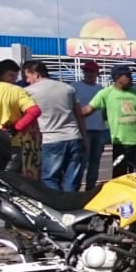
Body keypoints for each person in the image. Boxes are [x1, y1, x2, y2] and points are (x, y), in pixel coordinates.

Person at [79, 64, 136, 177]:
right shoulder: (105, 93)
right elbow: (85, 111)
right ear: (117, 77)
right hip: (121, 144)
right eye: (127, 75)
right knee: (120, 177)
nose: (131, 78)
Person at [23, 60, 86, 191]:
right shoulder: (68, 88)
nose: (27, 81)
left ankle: (57, 206)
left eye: (27, 76)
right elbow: (79, 114)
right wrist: (84, 137)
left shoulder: (29, 92)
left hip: (51, 139)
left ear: (35, 74)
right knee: (72, 178)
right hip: (74, 136)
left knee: (50, 178)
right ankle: (70, 205)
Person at [72, 60, 109, 190]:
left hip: (99, 130)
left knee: (95, 163)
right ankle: (75, 191)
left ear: (96, 73)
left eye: (91, 71)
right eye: (86, 71)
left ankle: (90, 190)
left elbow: (106, 111)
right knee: (80, 163)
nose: (88, 73)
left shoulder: (101, 90)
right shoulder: (74, 87)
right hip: (82, 130)